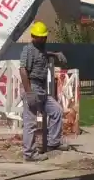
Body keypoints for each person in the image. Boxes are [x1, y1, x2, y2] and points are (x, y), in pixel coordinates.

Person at [19, 21, 70, 162]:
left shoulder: (41, 49)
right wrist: (29, 93)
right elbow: (23, 70)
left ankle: (54, 142)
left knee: (56, 111)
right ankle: (29, 154)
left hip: (41, 89)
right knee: (30, 122)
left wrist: (54, 54)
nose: (43, 39)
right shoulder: (28, 49)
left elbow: (42, 55)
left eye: (44, 37)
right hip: (33, 87)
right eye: (41, 37)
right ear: (33, 36)